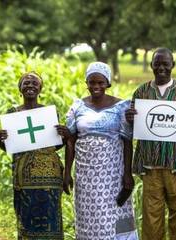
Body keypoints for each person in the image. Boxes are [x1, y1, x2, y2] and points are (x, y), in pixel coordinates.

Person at [125, 47, 176, 240]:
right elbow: (132, 123)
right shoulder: (142, 92)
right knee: (151, 218)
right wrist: (130, 118)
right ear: (151, 65)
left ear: (173, 65)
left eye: (165, 64)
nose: (161, 68)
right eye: (157, 64)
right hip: (151, 167)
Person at [0, 72, 70, 239]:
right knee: (25, 218)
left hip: (51, 176)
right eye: (26, 83)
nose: (30, 86)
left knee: (52, 217)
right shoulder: (12, 113)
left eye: (35, 83)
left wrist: (65, 135)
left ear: (40, 88)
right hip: (24, 177)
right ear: (20, 89)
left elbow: (54, 145)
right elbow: (12, 146)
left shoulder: (49, 113)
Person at [64, 62, 138, 239]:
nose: (96, 86)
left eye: (100, 82)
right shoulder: (77, 107)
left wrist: (128, 174)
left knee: (114, 216)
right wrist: (67, 171)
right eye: (92, 82)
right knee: (88, 215)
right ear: (87, 83)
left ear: (108, 83)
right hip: (85, 175)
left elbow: (127, 141)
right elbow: (70, 141)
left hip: (112, 174)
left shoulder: (121, 107)